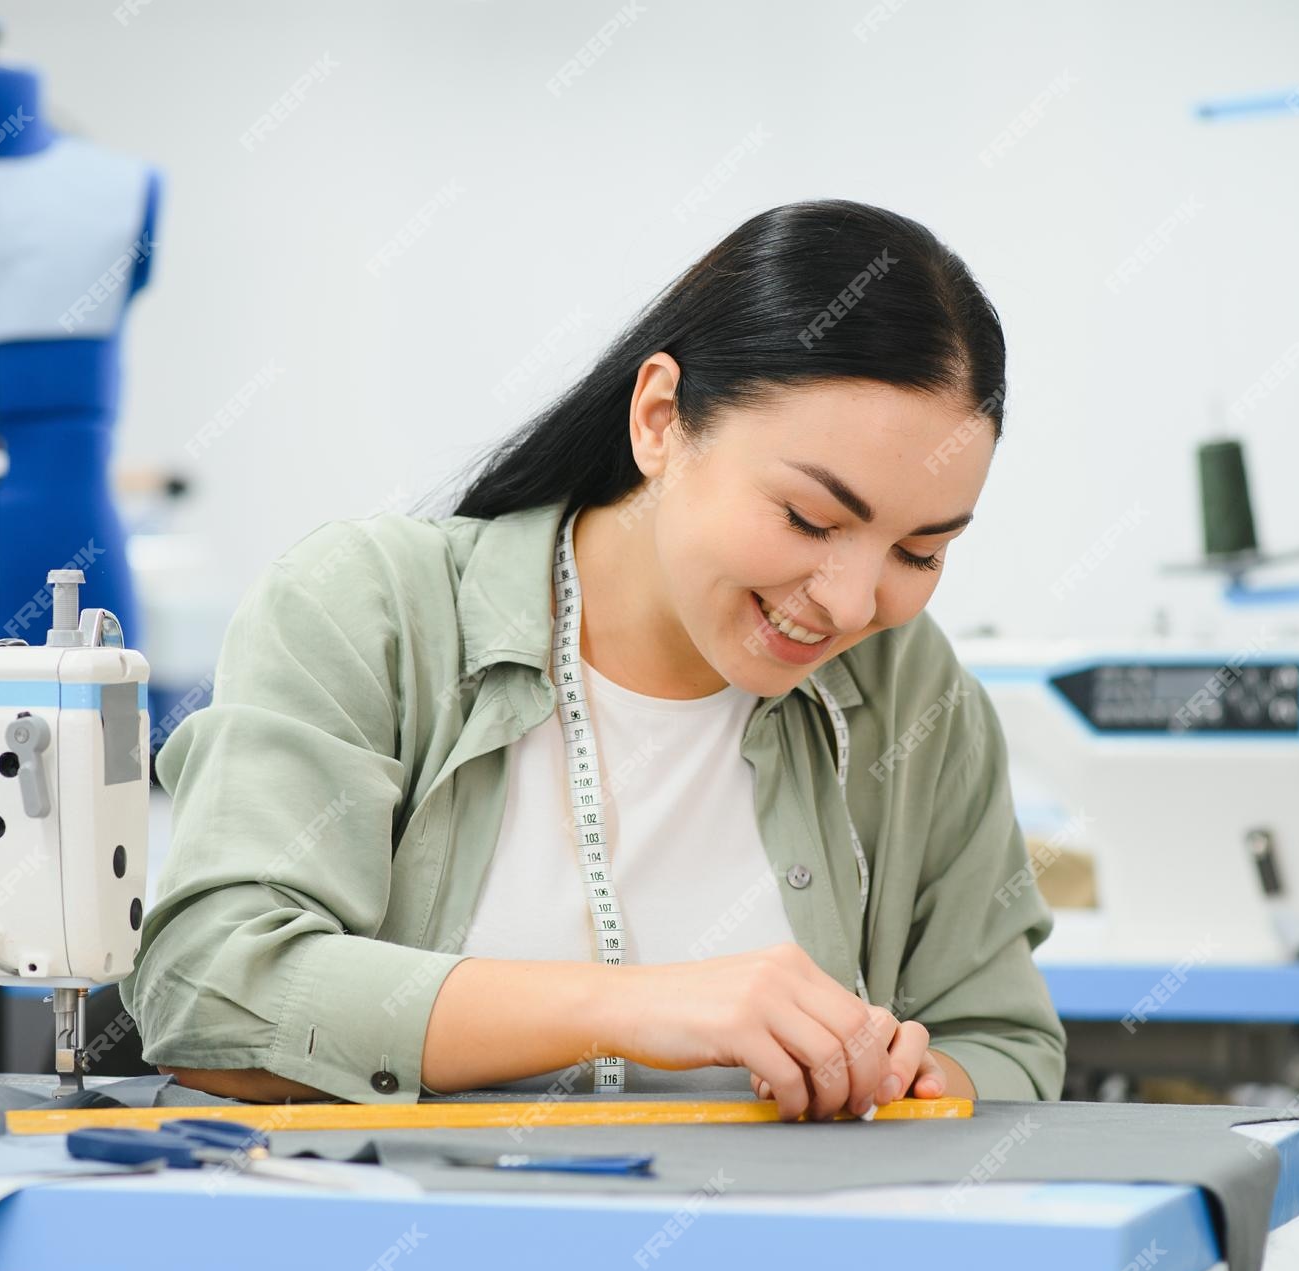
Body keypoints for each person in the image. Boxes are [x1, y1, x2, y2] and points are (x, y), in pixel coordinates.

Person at [123, 199, 1064, 1130]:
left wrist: (919, 1076)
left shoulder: (907, 688)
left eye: (919, 553)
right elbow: (209, 991)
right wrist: (643, 1009)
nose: (854, 603)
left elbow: (1007, 1041)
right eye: (810, 521)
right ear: (659, 418)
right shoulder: (373, 610)